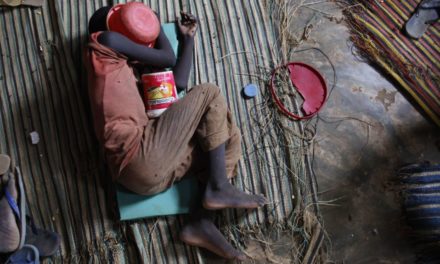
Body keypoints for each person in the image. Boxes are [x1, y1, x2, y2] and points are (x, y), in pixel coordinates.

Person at [86, 3, 266, 260]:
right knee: (209, 92)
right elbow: (167, 57)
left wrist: (188, 39)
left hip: (146, 176)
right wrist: (155, 24)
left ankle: (200, 222)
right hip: (138, 156)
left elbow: (177, 83)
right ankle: (218, 186)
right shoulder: (104, 40)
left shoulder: (127, 71)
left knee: (224, 138)